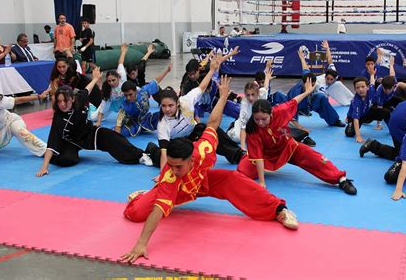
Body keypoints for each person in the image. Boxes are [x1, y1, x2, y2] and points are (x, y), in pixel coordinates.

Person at [120, 75, 299, 263]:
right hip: (180, 190)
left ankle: (279, 210)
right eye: (170, 166)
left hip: (203, 182)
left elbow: (212, 123)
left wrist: (223, 97)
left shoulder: (203, 150)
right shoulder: (171, 176)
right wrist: (141, 243)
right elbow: (158, 209)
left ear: (191, 160)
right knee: (134, 214)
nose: (173, 169)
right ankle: (146, 194)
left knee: (233, 179)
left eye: (178, 166)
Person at [237, 78, 357, 195]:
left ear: (271, 113)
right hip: (266, 155)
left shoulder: (280, 111)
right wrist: (262, 182)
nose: (260, 123)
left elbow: (294, 101)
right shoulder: (252, 129)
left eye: (264, 119)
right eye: (257, 119)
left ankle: (341, 180)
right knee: (241, 172)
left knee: (314, 157)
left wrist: (307, 92)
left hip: (287, 148)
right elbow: (258, 157)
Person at [36, 67, 153, 176]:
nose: (62, 104)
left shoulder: (79, 100)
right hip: (71, 141)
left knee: (113, 137)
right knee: (69, 160)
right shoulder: (59, 117)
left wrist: (96, 78)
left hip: (89, 134)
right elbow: (52, 141)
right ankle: (50, 156)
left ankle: (139, 155)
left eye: (65, 100)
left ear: (72, 98)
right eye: (59, 101)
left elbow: (88, 89)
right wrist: (44, 167)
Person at [153, 55, 244, 169]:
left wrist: (211, 70)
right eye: (163, 106)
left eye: (170, 105)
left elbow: (202, 87)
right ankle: (151, 152)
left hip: (194, 133)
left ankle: (238, 154)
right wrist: (163, 175)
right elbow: (165, 151)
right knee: (177, 160)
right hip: (178, 143)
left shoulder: (186, 101)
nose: (167, 109)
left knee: (211, 130)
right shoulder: (162, 124)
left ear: (177, 103)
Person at [300, 41, 354, 106]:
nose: (329, 81)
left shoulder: (333, 72)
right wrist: (302, 59)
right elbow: (306, 71)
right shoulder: (318, 82)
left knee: (338, 84)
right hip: (314, 93)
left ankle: (351, 101)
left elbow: (330, 61)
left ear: (335, 78)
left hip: (328, 89)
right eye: (327, 79)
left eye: (331, 79)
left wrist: (327, 48)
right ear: (325, 76)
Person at [344, 74, 391, 143]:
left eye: (363, 87)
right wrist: (358, 136)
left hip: (367, 112)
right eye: (357, 87)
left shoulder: (371, 90)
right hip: (356, 118)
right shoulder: (356, 101)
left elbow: (372, 82)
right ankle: (349, 120)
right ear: (355, 89)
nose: (361, 89)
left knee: (386, 112)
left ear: (367, 87)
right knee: (349, 133)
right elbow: (356, 119)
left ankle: (392, 129)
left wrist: (372, 74)